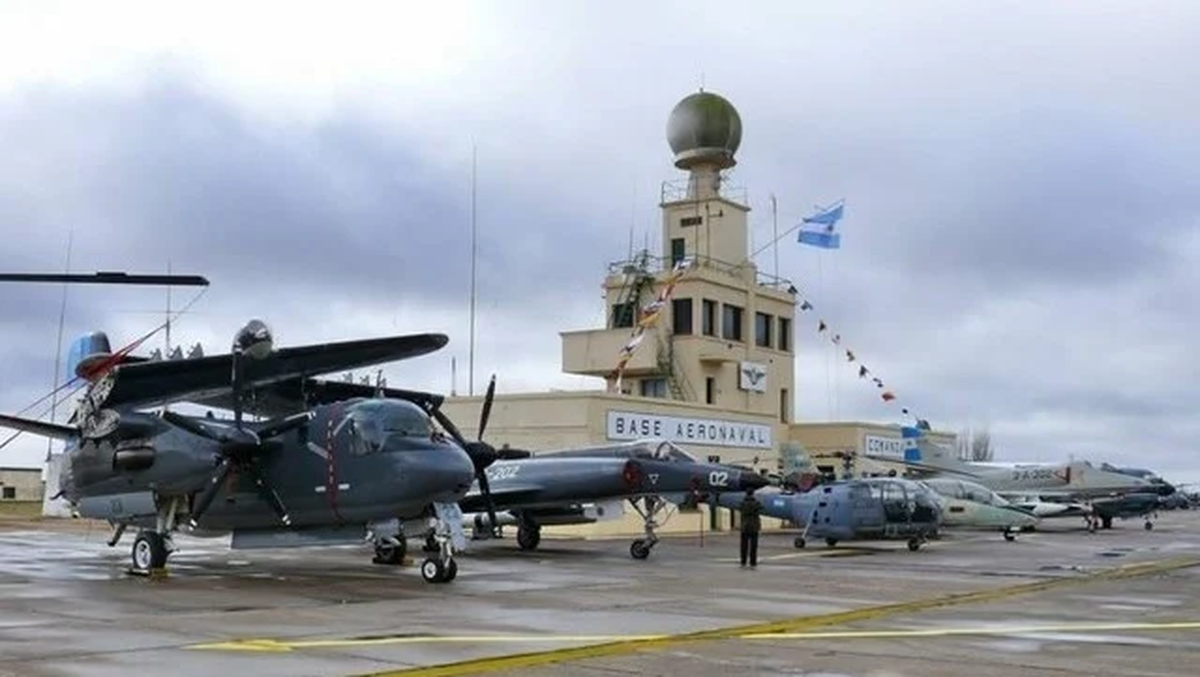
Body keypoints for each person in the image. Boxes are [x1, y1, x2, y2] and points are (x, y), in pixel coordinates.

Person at [739, 487, 763, 567]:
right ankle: (753, 561)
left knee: (744, 545)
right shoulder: (756, 503)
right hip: (754, 526)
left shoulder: (742, 503)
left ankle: (743, 560)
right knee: (753, 546)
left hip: (744, 526)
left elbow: (740, 508)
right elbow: (762, 507)